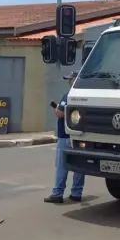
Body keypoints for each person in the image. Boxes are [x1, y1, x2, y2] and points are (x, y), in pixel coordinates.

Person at [44, 71, 85, 204]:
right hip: (80, 135)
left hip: (65, 136)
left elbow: (60, 114)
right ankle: (77, 192)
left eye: (70, 79)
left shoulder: (68, 96)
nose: (69, 82)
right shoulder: (86, 96)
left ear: (76, 80)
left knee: (62, 165)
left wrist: (56, 109)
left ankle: (57, 193)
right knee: (79, 166)